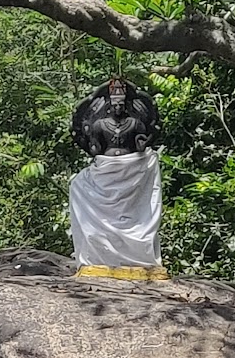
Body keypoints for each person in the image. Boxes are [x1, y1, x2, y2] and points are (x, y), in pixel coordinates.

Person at [69, 78, 167, 279]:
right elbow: (94, 148)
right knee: (77, 186)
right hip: (106, 168)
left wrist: (146, 139)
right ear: (109, 105)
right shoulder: (100, 124)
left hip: (132, 167)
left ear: (127, 105)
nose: (118, 107)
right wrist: (88, 135)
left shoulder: (134, 122)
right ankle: (99, 253)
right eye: (115, 104)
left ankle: (137, 255)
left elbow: (141, 144)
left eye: (122, 104)